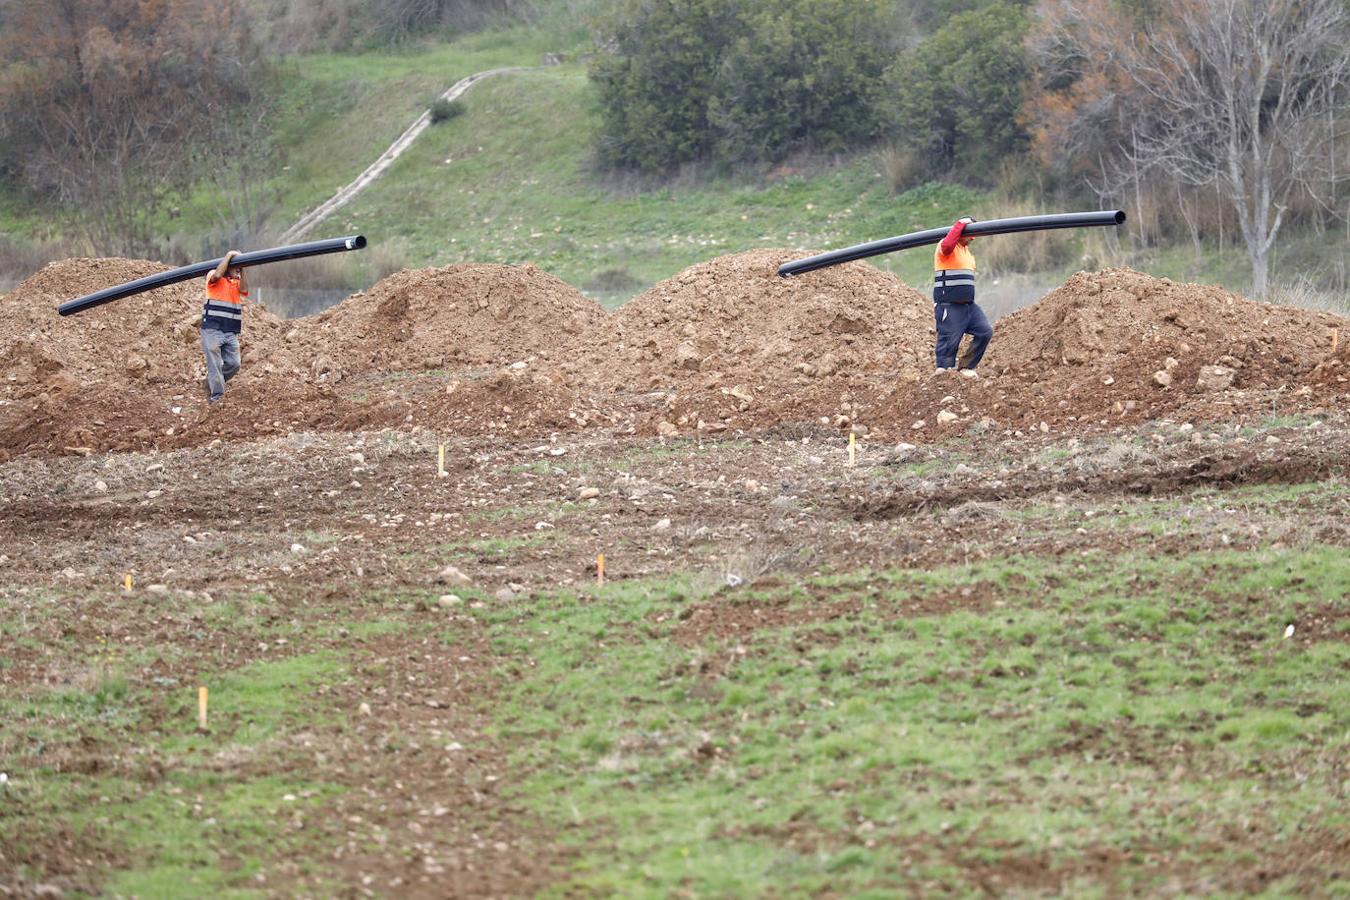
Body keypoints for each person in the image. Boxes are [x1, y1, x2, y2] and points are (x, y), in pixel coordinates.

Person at [933, 216, 992, 376]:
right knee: (949, 340)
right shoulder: (946, 247)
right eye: (969, 234)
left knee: (985, 331)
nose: (971, 239)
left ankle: (967, 366)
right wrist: (962, 223)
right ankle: (944, 373)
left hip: (968, 305)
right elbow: (947, 245)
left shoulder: (967, 253)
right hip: (949, 304)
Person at [201, 249, 248, 403]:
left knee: (235, 364)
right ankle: (217, 398)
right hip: (212, 329)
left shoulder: (237, 283)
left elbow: (245, 289)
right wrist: (229, 255)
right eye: (236, 268)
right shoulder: (213, 275)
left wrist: (245, 267)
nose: (238, 272)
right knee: (214, 364)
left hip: (230, 331)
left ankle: (212, 382)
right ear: (228, 266)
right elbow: (217, 276)